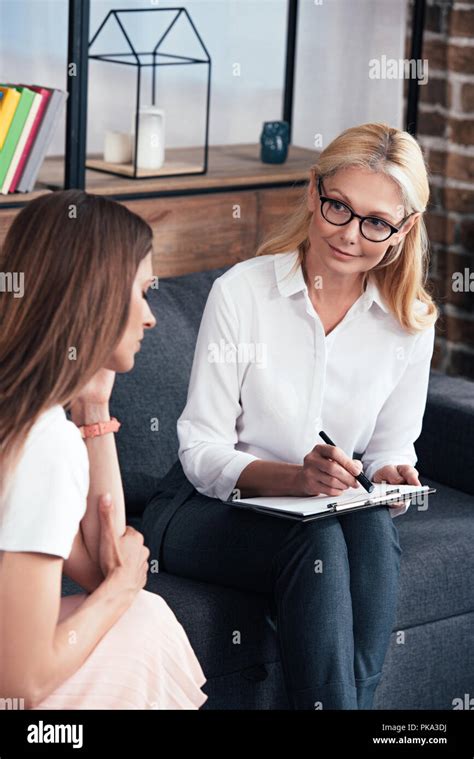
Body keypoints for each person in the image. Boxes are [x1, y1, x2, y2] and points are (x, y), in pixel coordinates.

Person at [142, 122, 439, 710]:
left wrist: (389, 476)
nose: (351, 235)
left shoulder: (409, 322)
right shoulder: (242, 294)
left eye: (376, 222)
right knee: (320, 542)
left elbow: (391, 450)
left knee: (373, 529)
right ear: (313, 192)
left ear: (403, 232)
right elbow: (201, 451)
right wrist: (297, 478)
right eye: (338, 208)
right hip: (203, 509)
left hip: (333, 505)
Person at [0, 190, 207, 710]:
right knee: (140, 620)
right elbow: (20, 677)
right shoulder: (42, 442)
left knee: (142, 615)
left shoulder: (27, 416)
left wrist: (93, 410)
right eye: (140, 292)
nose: (151, 317)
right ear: (93, 295)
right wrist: (121, 588)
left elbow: (96, 565)